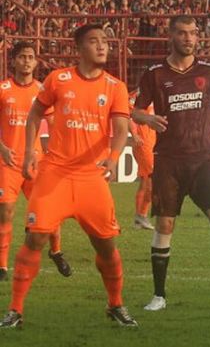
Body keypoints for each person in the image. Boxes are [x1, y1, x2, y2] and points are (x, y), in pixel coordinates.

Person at [0, 24, 136, 328]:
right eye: (94, 41)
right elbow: (36, 113)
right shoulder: (58, 79)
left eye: (105, 42)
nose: (102, 46)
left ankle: (115, 304)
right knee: (35, 237)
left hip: (92, 180)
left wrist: (113, 158)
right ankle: (15, 310)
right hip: (55, 175)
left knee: (106, 247)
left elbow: (122, 127)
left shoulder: (116, 86)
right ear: (79, 48)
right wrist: (31, 151)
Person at [132, 16, 210, 312]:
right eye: (182, 33)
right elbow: (135, 111)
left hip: (204, 158)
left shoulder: (209, 71)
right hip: (168, 160)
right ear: (171, 36)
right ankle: (159, 295)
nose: (189, 38)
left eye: (193, 33)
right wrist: (148, 118)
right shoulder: (154, 74)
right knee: (165, 223)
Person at [0, 42, 72, 282]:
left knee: (49, 210)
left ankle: (56, 251)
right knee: (6, 212)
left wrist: (56, 154)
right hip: (8, 161)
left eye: (30, 57)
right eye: (22, 57)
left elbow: (53, 126)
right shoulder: (3, 88)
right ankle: (2, 266)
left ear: (35, 62)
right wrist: (2, 149)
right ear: (13, 61)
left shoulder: (42, 90)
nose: (27, 61)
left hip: (36, 162)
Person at [128, 91, 156, 230]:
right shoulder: (137, 96)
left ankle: (139, 218)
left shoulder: (155, 93)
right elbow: (129, 116)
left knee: (145, 181)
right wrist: (134, 134)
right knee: (152, 181)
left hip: (152, 143)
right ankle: (142, 216)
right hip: (143, 144)